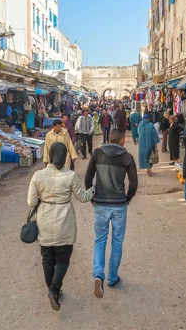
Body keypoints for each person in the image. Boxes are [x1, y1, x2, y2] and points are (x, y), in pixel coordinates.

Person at [28, 142, 95, 311]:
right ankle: (54, 289)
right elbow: (83, 197)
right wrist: (93, 189)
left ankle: (53, 290)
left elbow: (31, 202)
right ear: (65, 156)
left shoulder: (38, 175)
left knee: (47, 259)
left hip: (44, 220)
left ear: (49, 156)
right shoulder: (70, 176)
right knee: (63, 258)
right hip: (64, 221)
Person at [85, 128, 138, 298]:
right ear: (122, 141)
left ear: (109, 138)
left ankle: (98, 275)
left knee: (100, 240)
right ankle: (113, 277)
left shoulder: (97, 154)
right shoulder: (127, 157)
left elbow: (87, 179)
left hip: (100, 204)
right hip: (119, 205)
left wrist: (93, 198)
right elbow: (134, 184)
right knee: (117, 242)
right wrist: (127, 199)